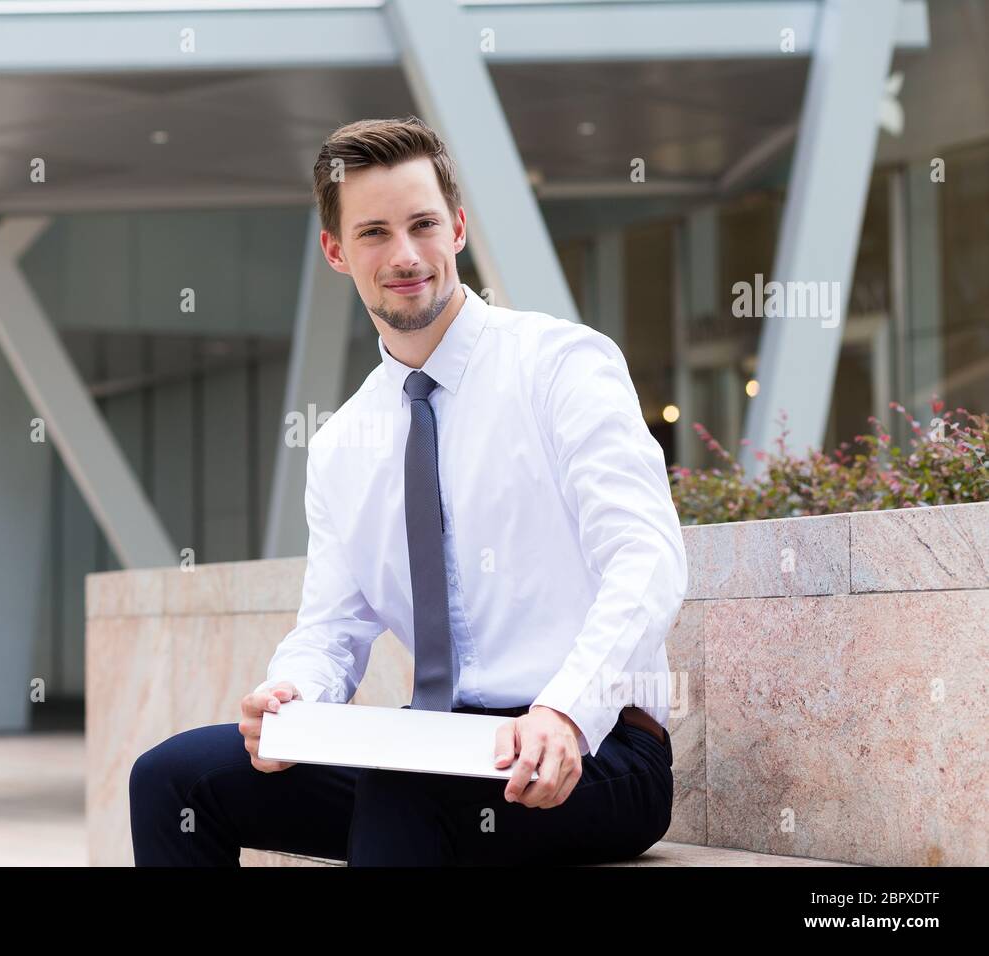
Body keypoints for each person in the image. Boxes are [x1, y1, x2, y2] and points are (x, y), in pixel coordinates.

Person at [130, 116, 687, 866]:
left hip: (594, 754)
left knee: (407, 783)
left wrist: (564, 711)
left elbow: (646, 559)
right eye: (373, 233)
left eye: (423, 224)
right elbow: (333, 627)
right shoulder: (341, 444)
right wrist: (289, 696)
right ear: (336, 250)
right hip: (440, 749)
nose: (405, 255)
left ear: (457, 227)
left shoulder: (562, 366)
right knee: (173, 779)